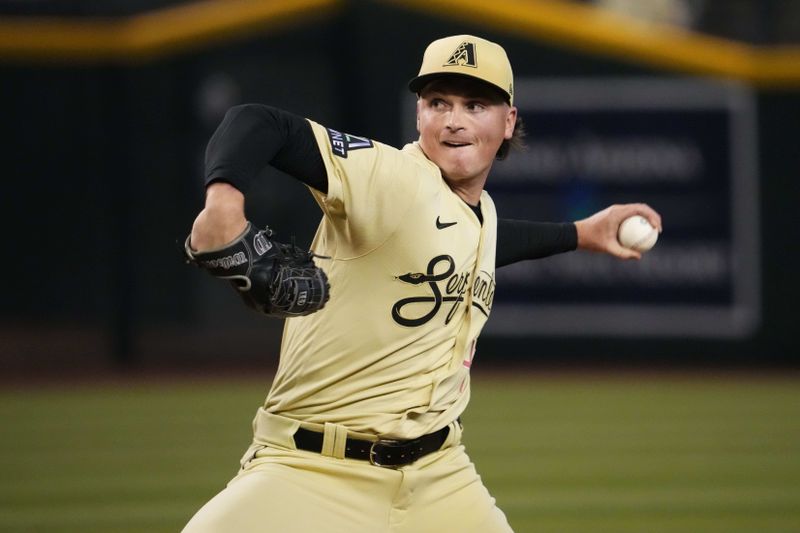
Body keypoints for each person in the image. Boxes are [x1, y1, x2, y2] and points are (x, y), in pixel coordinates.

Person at [182, 34, 662, 533]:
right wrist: (224, 205)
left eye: (475, 104)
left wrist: (583, 233)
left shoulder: (480, 214)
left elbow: (487, 239)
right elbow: (257, 121)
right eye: (439, 103)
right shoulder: (390, 177)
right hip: (312, 468)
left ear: (508, 121)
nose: (454, 119)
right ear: (418, 115)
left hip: (439, 474)